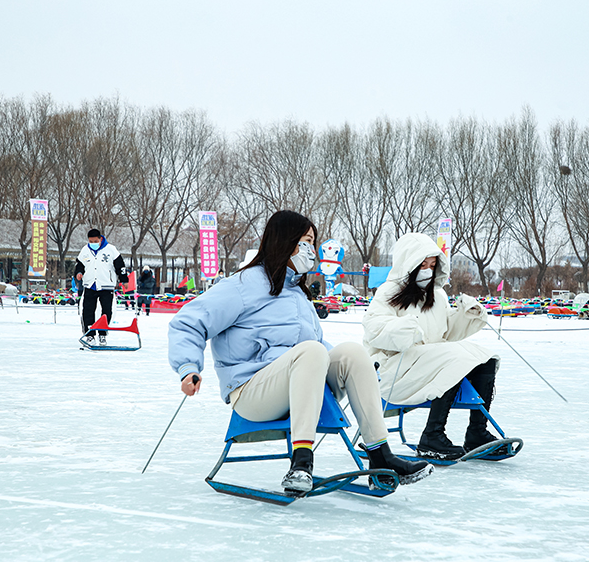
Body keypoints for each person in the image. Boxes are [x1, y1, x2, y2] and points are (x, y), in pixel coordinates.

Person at [168, 210, 432, 493]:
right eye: (306, 241)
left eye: (312, 242)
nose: (311, 249)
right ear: (286, 240)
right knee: (311, 352)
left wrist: (362, 373)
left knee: (352, 353)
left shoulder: (296, 292)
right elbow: (188, 322)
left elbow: (316, 352)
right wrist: (188, 367)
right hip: (251, 391)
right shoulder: (242, 285)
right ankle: (301, 462)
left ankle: (380, 455)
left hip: (298, 384)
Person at [362, 233, 500, 460]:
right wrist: (400, 330)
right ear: (409, 264)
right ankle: (432, 436)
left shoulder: (437, 295)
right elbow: (373, 329)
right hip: (395, 367)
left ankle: (477, 432)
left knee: (486, 358)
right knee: (452, 357)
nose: (427, 270)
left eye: (432, 265)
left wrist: (467, 315)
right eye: (422, 264)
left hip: (431, 360)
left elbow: (448, 334)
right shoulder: (388, 292)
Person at [74, 229, 127, 346]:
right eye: (91, 241)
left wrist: (124, 280)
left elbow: (120, 266)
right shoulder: (85, 250)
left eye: (95, 241)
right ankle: (89, 335)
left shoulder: (111, 250)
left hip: (106, 285)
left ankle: (103, 334)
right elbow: (79, 265)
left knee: (106, 311)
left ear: (100, 239)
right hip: (90, 285)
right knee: (87, 310)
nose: (93, 242)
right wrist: (78, 273)